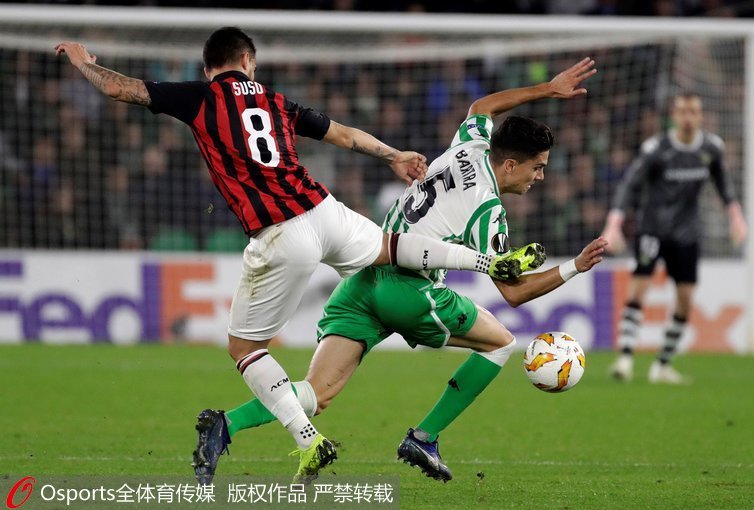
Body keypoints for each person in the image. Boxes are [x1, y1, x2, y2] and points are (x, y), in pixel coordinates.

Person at [54, 27, 539, 483]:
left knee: (246, 349)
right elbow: (345, 135)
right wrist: (393, 155)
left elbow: (120, 89)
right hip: (324, 210)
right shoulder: (276, 100)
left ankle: (308, 440)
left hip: (280, 232)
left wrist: (82, 62)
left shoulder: (202, 96)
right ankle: (487, 263)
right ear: (248, 61)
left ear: (209, 69)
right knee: (389, 248)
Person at [191, 57, 606, 483]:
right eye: (538, 167)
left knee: (315, 394)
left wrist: (547, 89)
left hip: (364, 279)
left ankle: (226, 424)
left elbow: (483, 106)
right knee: (500, 344)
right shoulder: (487, 210)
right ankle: (425, 437)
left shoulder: (470, 145)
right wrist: (575, 267)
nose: (540, 177)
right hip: (410, 292)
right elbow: (514, 293)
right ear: (511, 165)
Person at [602, 93, 748, 384]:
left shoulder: (711, 149)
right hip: (652, 230)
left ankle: (662, 365)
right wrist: (613, 225)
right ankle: (625, 359)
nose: (688, 117)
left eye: (693, 112)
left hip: (686, 234)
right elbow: (630, 186)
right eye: (682, 111)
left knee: (685, 300)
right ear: (674, 116)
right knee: (638, 290)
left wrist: (736, 217)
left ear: (701, 116)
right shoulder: (657, 149)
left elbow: (724, 186)